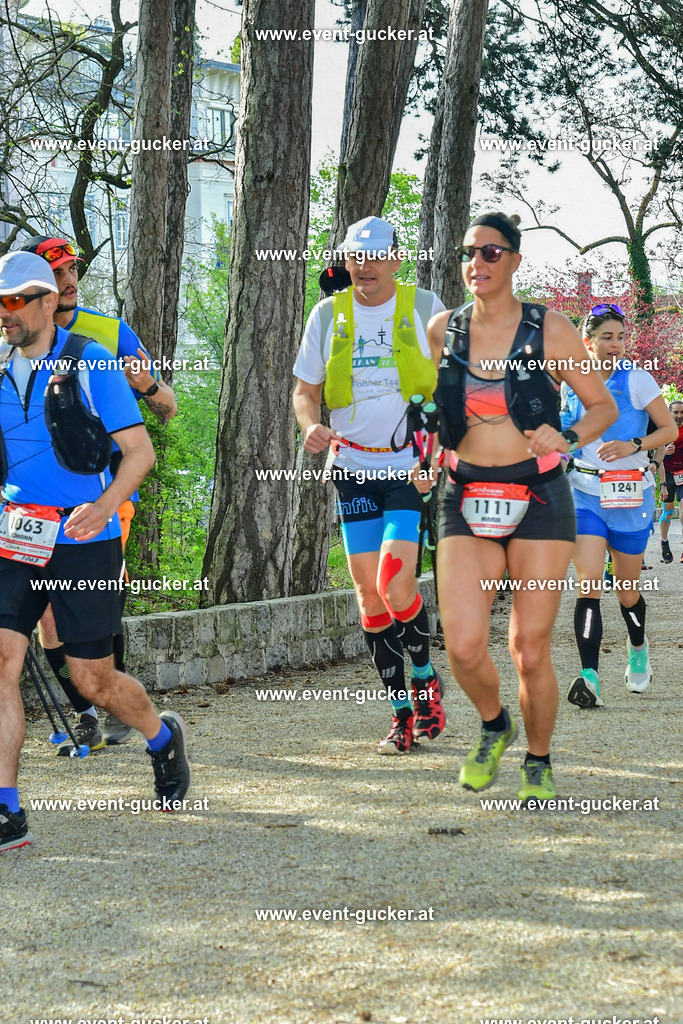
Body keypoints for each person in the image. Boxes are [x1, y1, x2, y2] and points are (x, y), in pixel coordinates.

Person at [422, 212, 618, 803]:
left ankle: (538, 758)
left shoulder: (549, 330)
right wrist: (428, 454)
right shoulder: (442, 331)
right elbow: (435, 413)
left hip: (538, 497)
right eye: (468, 253)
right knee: (461, 646)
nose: (476, 264)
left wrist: (569, 438)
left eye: (490, 253)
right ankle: (493, 725)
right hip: (465, 495)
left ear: (514, 260)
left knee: (529, 649)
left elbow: (600, 407)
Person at [0, 252, 190, 851]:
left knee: (92, 680)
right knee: (2, 662)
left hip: (87, 538)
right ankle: (8, 811)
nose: (4, 314)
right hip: (16, 538)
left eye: (12, 301)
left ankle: (162, 737)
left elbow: (139, 453)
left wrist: (106, 506)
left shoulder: (91, 361)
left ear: (44, 300)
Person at [293, 216, 447, 754]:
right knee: (368, 598)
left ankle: (426, 677)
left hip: (408, 467)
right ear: (348, 260)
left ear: (396, 260)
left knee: (394, 583)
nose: (367, 267)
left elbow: (451, 394)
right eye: (358, 257)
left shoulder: (425, 307)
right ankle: (401, 712)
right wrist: (310, 424)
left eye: (378, 256)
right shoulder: (327, 313)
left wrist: (436, 458)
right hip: (352, 467)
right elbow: (304, 390)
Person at [19, 235, 177, 752]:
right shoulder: (12, 346)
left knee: (92, 601)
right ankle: (84, 711)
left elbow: (168, 407)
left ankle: (111, 700)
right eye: (56, 272)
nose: (68, 280)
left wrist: (148, 387)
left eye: (72, 270)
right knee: (44, 617)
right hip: (28, 508)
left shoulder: (110, 333)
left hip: (104, 494)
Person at [562, 304, 677, 709]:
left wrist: (634, 444)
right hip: (584, 494)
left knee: (627, 591)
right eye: (607, 337)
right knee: (589, 583)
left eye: (621, 337)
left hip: (630, 495)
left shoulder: (637, 379)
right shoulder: (569, 382)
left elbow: (669, 429)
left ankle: (638, 646)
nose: (615, 345)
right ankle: (589, 677)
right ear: (587, 341)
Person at [656, 400, 683, 563]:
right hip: (667, 476)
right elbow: (656, 458)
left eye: (682, 413)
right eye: (676, 412)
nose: (679, 416)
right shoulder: (663, 430)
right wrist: (665, 452)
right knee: (668, 514)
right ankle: (664, 542)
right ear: (670, 413)